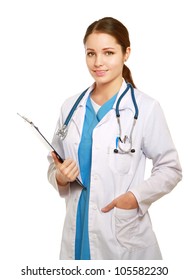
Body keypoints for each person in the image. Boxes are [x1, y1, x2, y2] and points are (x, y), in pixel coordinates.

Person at [47, 17, 182, 260]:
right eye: (91, 54)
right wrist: (59, 176)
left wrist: (135, 197)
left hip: (121, 236)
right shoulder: (70, 108)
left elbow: (171, 169)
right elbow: (54, 163)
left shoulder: (145, 108)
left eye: (108, 52)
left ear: (126, 53)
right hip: (76, 232)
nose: (98, 62)